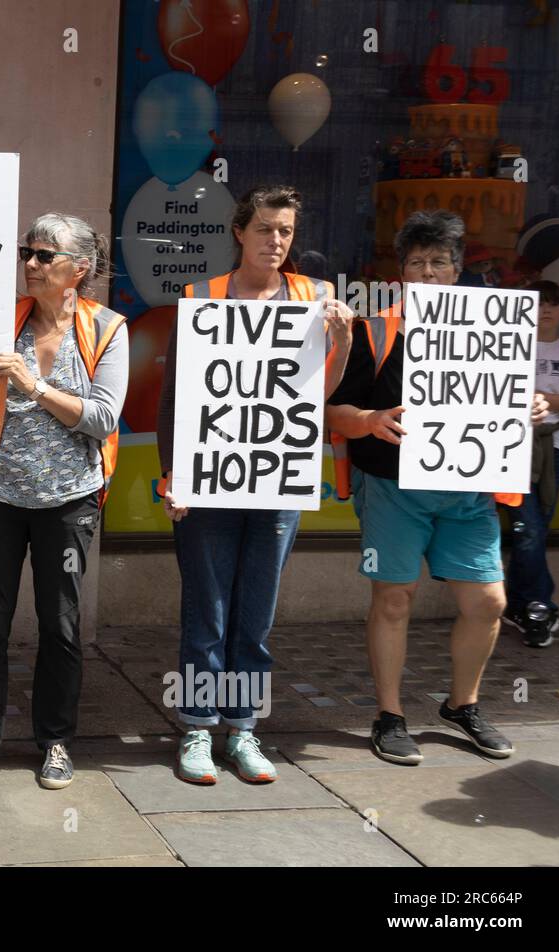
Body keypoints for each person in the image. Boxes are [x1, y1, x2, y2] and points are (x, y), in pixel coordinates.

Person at [326, 210, 548, 765]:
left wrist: (533, 407)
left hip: (469, 491)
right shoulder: (375, 329)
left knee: (489, 601)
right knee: (394, 599)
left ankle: (461, 705)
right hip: (392, 487)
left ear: (457, 270)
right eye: (417, 263)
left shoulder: (493, 327)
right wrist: (371, 420)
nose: (428, 272)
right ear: (400, 271)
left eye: (439, 262)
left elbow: (510, 401)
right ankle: (389, 715)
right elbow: (335, 413)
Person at [158, 185, 354, 785]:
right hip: (210, 482)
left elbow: (318, 395)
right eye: (266, 229)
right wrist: (174, 475)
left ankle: (242, 730)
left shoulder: (312, 298)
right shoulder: (202, 297)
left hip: (276, 481)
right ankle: (196, 728)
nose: (276, 241)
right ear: (240, 231)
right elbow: (178, 399)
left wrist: (342, 340)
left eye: (287, 232)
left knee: (255, 616)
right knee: (206, 610)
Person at [0, 213, 128, 796]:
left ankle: (55, 742)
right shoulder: (3, 322)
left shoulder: (106, 329)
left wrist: (34, 386)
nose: (30, 264)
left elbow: (103, 418)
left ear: (79, 268)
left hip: (69, 504)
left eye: (43, 255)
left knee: (61, 626)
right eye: (26, 252)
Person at [501, 280, 559, 647]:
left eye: (552, 304)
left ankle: (518, 603)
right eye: (537, 304)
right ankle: (540, 606)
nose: (545, 311)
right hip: (512, 445)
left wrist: (540, 397)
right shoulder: (509, 346)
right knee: (527, 529)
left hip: (553, 448)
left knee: (534, 529)